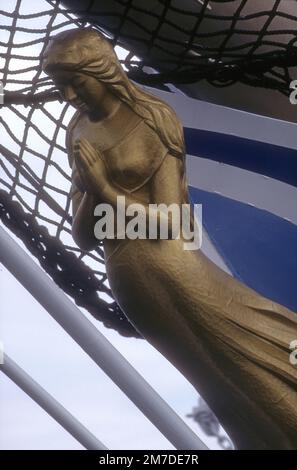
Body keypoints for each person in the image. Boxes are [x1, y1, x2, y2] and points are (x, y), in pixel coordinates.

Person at [42, 28, 297, 449]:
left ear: (102, 70)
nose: (70, 96)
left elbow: (170, 222)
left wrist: (104, 189)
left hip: (176, 267)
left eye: (76, 82)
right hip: (130, 281)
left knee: (246, 358)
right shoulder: (79, 133)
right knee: (212, 380)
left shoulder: (151, 117)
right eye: (60, 86)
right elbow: (83, 236)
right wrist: (88, 188)